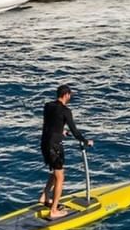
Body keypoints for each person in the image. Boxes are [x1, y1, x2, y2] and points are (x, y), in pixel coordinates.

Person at [38, 84, 92, 219]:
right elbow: (75, 131)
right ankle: (54, 210)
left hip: (44, 143)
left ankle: (45, 196)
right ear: (66, 95)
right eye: (70, 95)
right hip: (55, 146)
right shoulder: (66, 111)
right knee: (60, 177)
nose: (70, 97)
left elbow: (49, 123)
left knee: (57, 172)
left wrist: (61, 132)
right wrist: (85, 141)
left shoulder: (48, 106)